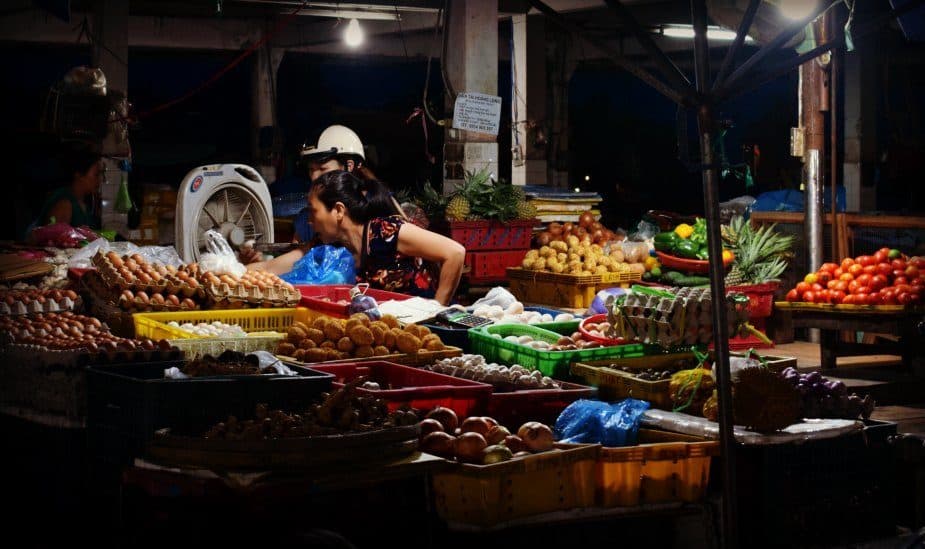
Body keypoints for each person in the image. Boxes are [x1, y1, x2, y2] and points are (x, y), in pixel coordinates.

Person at [241, 170, 465, 305]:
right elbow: (271, 268)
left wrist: (438, 307)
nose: (309, 220)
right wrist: (227, 269)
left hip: (428, 330)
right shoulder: (329, 247)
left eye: (313, 211)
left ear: (338, 211)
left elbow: (454, 253)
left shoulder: (385, 231)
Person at [290, 125, 378, 243]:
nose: (314, 177)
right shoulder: (308, 217)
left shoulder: (378, 208)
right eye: (311, 169)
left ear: (349, 166)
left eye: (323, 169)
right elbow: (298, 253)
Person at [35, 143, 103, 229]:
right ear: (79, 175)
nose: (100, 179)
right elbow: (53, 240)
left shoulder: (82, 202)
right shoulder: (64, 204)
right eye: (96, 174)